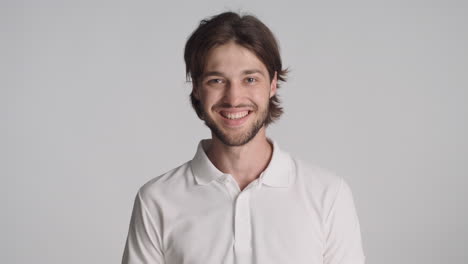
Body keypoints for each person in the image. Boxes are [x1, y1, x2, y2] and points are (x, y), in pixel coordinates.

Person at [122, 11, 365, 264]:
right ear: (196, 87)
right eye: (216, 80)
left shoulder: (328, 195)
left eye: (250, 79)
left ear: (272, 84)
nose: (234, 98)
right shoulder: (157, 200)